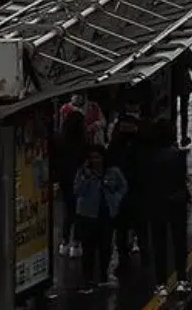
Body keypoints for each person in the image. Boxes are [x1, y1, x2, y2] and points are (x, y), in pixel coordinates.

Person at [73, 145, 128, 292]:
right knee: (88, 249)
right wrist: (86, 176)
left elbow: (123, 187)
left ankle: (103, 275)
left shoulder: (113, 172)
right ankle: (88, 279)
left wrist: (115, 199)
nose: (95, 160)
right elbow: (77, 190)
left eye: (97, 157)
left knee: (105, 247)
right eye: (92, 157)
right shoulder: (84, 173)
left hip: (106, 215)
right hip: (87, 215)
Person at [146, 119, 192, 298]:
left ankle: (161, 284)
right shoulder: (177, 156)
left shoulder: (150, 157)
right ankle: (182, 280)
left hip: (157, 203)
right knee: (179, 241)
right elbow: (183, 179)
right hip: (177, 202)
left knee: (159, 244)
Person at [106, 109, 151, 263]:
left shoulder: (115, 146)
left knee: (122, 228)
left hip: (122, 193)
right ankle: (141, 254)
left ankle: (124, 256)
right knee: (138, 226)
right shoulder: (141, 144)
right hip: (136, 191)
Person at [54, 109, 87, 248]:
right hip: (79, 179)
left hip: (65, 179)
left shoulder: (61, 140)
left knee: (68, 209)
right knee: (79, 211)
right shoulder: (82, 143)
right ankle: (76, 241)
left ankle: (65, 240)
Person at [171, 49, 192, 149]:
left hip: (172, 84)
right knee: (184, 112)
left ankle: (173, 138)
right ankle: (184, 136)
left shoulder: (171, 51)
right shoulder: (185, 50)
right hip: (185, 83)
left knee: (172, 113)